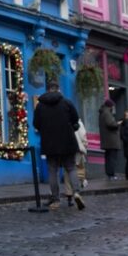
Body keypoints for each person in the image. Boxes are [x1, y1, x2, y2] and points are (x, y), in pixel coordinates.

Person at [31, 81, 85, 209]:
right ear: (58, 89)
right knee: (71, 168)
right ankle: (76, 192)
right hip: (67, 140)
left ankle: (55, 199)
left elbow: (36, 124)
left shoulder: (40, 105)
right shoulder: (67, 103)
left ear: (48, 89)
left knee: (52, 170)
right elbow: (75, 120)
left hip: (49, 142)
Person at [98, 99, 121, 180]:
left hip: (107, 140)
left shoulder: (103, 112)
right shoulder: (107, 113)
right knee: (112, 158)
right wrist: (118, 123)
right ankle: (111, 174)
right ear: (110, 106)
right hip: (111, 140)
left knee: (108, 158)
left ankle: (109, 174)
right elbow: (110, 124)